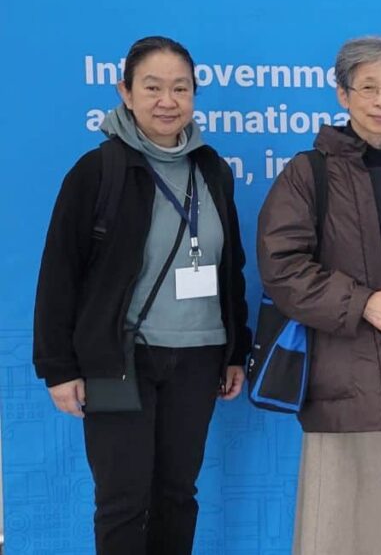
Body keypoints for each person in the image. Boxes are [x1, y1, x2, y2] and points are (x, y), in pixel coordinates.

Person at [33, 35, 251, 554]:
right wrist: (59, 368)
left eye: (180, 88)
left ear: (194, 95)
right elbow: (59, 273)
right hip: (117, 359)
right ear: (125, 92)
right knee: (122, 499)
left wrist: (236, 351)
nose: (167, 100)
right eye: (152, 87)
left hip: (198, 359)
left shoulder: (213, 171)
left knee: (178, 495)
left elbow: (231, 267)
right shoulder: (98, 170)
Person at [256, 35, 381, 555]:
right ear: (343, 95)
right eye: (368, 87)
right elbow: (282, 266)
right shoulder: (309, 171)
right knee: (333, 524)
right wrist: (361, 300)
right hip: (340, 372)